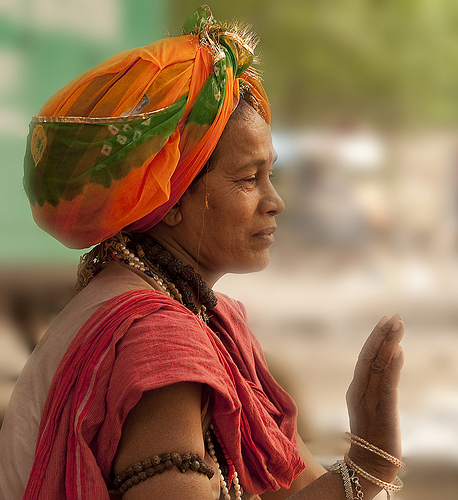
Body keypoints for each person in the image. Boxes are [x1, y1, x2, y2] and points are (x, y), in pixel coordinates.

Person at [0, 6, 405, 500]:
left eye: (269, 176)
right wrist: (368, 458)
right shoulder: (160, 341)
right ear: (170, 199)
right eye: (247, 179)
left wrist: (371, 455)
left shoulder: (208, 320)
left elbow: (297, 490)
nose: (275, 203)